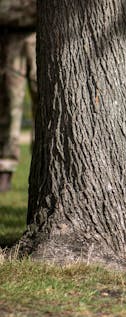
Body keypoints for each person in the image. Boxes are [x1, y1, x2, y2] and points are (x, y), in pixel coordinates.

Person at [0, 0, 36, 191]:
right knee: (9, 105)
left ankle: (42, 164)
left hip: (41, 40)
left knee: (45, 107)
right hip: (11, 43)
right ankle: (5, 169)